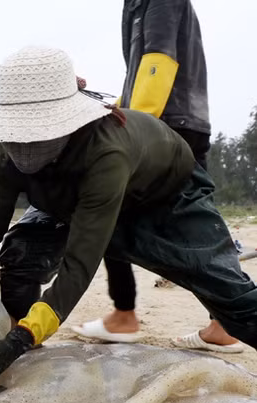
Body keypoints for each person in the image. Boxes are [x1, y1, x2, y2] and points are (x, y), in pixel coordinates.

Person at [0, 45, 257, 388]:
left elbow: (80, 262)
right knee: (22, 254)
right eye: (16, 135)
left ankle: (21, 340)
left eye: (36, 134)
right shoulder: (4, 152)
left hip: (164, 197)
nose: (23, 147)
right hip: (69, 198)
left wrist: (23, 337)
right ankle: (15, 348)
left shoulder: (106, 151)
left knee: (232, 298)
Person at [73, 0, 243, 353]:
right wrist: (116, 110)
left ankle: (126, 315)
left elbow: (159, 60)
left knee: (114, 208)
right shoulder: (137, 5)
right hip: (176, 121)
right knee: (196, 221)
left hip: (169, 124)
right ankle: (222, 320)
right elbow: (140, 73)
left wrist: (135, 127)